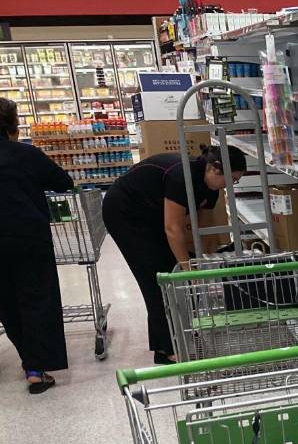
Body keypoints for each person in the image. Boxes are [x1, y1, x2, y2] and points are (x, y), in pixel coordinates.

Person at [102, 144, 245, 364]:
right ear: (215, 170)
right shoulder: (181, 176)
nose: (231, 186)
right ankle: (167, 348)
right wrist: (187, 269)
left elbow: (204, 223)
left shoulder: (211, 185)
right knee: (158, 278)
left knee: (176, 271)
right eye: (232, 180)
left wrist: (200, 260)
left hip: (151, 214)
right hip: (125, 214)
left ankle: (183, 332)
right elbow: (173, 228)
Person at [0, 98, 72, 394]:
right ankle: (36, 368)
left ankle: (28, 360)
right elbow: (63, 182)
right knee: (37, 299)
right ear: (13, 124)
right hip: (28, 237)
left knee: (7, 303)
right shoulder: (24, 154)